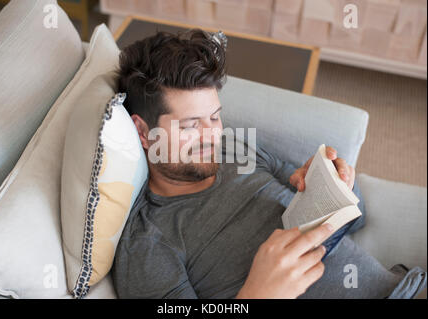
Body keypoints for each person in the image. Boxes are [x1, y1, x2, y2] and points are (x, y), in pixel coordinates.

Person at [111, 29, 426, 299]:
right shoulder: (149, 242)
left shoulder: (238, 150)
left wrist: (337, 184)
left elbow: (356, 221)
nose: (212, 136)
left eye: (215, 117)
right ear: (143, 131)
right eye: (191, 125)